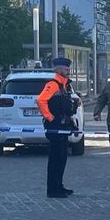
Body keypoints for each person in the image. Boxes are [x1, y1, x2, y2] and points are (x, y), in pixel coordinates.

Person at [37, 57, 79, 198]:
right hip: (55, 126)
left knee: (62, 157)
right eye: (66, 69)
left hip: (63, 125)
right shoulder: (53, 84)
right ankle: (53, 189)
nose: (68, 72)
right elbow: (41, 100)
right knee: (56, 158)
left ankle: (59, 186)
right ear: (59, 69)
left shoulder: (64, 85)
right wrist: (50, 117)